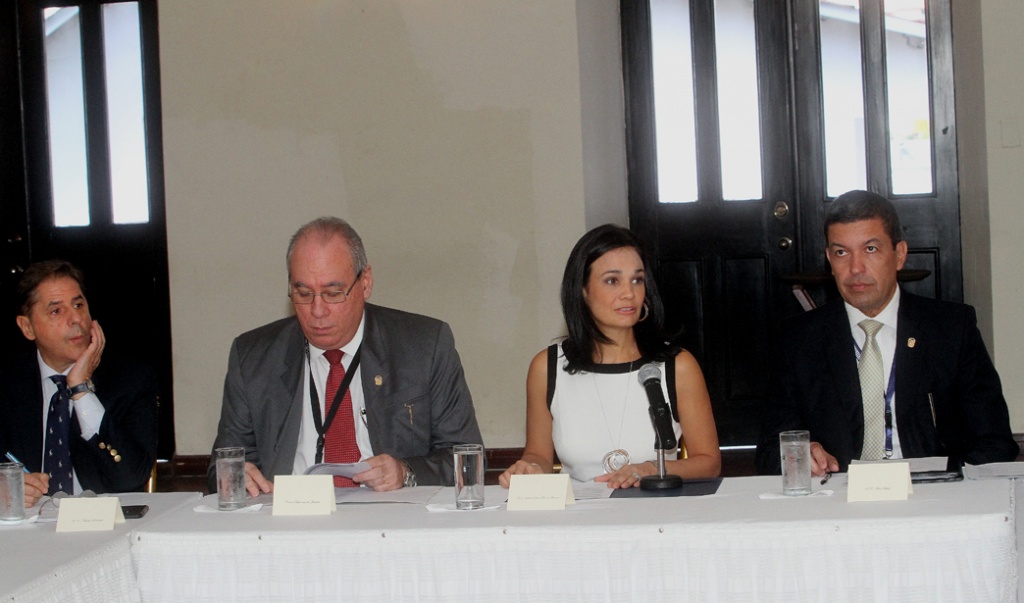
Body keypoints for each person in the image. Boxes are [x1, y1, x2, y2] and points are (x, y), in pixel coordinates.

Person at [208, 216, 483, 495]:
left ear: (365, 283)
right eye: (303, 293)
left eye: (333, 293)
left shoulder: (423, 346)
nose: (317, 311)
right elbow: (221, 466)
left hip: (390, 511)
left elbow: (466, 458)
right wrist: (236, 476)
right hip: (291, 513)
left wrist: (406, 472)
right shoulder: (253, 357)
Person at [755, 190, 1018, 476]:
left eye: (870, 249)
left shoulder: (951, 329)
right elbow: (770, 452)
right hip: (838, 489)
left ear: (899, 254)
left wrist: (952, 478)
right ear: (829, 259)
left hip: (931, 488)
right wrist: (798, 454)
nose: (856, 268)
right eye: (841, 252)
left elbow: (995, 442)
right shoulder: (798, 340)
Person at [498, 224, 720, 489]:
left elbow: (709, 463)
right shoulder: (547, 367)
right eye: (613, 281)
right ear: (583, 290)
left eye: (637, 280)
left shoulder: (677, 365)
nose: (629, 293)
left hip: (655, 509)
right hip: (579, 510)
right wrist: (529, 468)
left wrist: (653, 470)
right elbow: (538, 456)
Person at [0, 260, 158, 507]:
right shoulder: (7, 383)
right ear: (27, 327)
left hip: (103, 523)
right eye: (56, 311)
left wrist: (81, 391)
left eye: (79, 305)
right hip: (28, 525)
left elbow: (131, 477)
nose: (75, 319)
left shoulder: (131, 379)